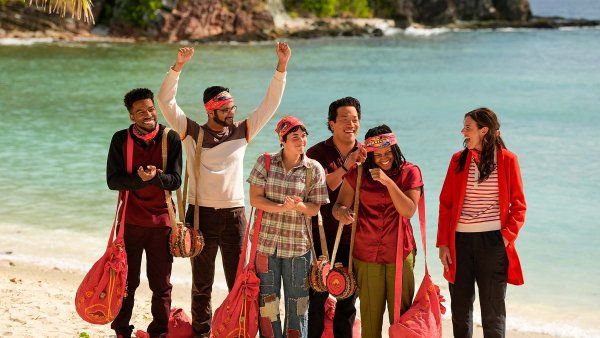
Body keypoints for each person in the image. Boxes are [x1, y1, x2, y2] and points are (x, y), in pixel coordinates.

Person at [157, 43, 291, 337]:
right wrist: (177, 68)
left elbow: (270, 105)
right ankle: (202, 333)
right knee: (201, 285)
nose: (233, 112)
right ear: (212, 110)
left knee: (240, 281)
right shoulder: (192, 132)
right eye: (227, 108)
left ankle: (239, 330)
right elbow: (165, 102)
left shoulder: (243, 131)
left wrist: (281, 67)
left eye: (233, 107)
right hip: (200, 216)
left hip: (234, 217)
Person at [437, 107, 526, 338]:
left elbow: (518, 205)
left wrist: (505, 238)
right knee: (460, 309)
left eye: (468, 127)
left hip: (494, 242)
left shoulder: (507, 160)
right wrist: (444, 244)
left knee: (493, 310)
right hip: (460, 243)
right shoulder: (458, 160)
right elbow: (445, 204)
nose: (462, 131)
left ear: (483, 130)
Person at [333, 125, 423, 338]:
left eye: (388, 152)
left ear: (395, 148)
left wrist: (388, 182)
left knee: (401, 321)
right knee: (371, 322)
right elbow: (337, 208)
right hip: (365, 256)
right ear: (370, 153)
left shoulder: (409, 171)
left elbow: (408, 210)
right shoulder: (358, 173)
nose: (384, 158)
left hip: (400, 254)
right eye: (378, 154)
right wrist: (344, 214)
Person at [107, 88, 183, 337]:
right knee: (126, 283)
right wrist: (140, 180)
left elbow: (175, 181)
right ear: (131, 116)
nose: (148, 114)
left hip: (161, 223)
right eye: (140, 111)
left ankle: (159, 332)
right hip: (129, 223)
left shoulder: (170, 138)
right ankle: (121, 331)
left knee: (161, 285)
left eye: (150, 109)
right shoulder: (120, 139)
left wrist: (156, 177)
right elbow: (113, 181)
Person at [247, 116, 329, 338]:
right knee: (268, 304)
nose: (301, 140)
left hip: (298, 250)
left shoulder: (314, 169)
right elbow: (255, 199)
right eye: (295, 137)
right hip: (265, 246)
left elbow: (314, 209)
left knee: (299, 306)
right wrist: (283, 207)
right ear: (282, 140)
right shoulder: (264, 162)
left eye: (303, 136)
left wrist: (299, 205)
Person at [305, 97, 366, 337]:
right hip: (319, 235)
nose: (350, 123)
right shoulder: (316, 153)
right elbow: (319, 189)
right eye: (344, 119)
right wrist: (346, 166)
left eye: (355, 119)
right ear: (331, 123)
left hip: (353, 237)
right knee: (316, 298)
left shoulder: (367, 153)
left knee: (348, 301)